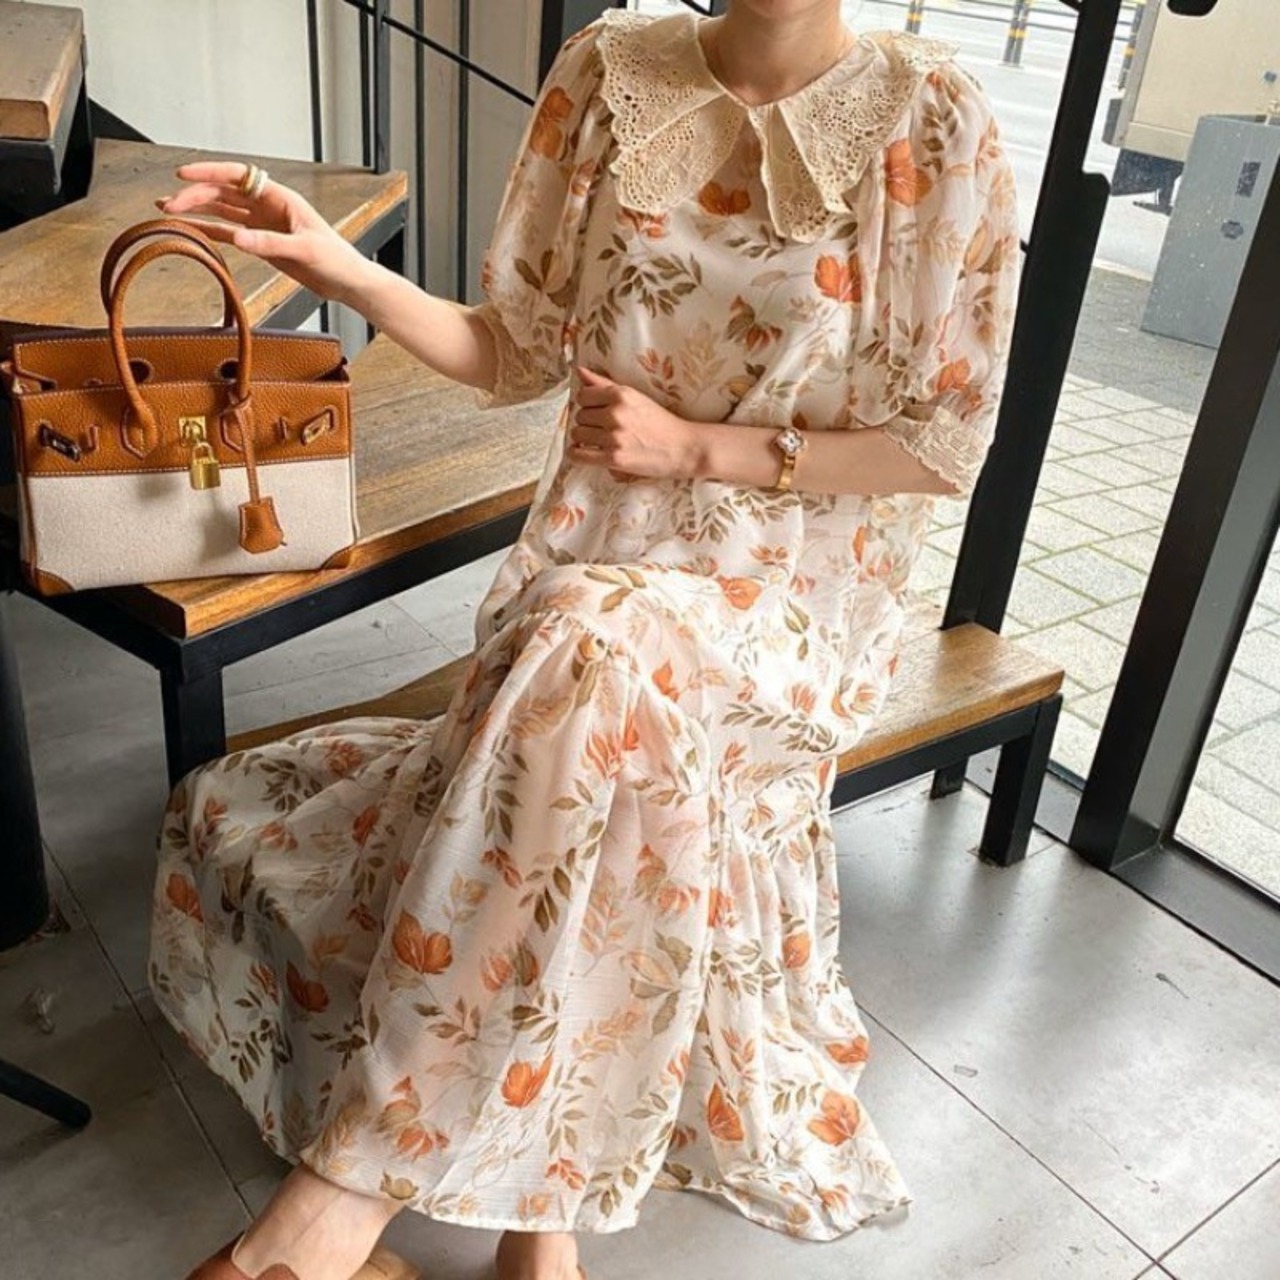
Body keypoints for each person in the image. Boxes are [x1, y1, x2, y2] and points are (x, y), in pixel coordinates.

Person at [150, 3, 1021, 1278]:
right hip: (587, 563)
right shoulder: (611, 72)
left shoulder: (931, 120)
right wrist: (339, 268)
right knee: (594, 681)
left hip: (785, 602)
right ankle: (537, 1228)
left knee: (591, 651)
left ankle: (332, 1206)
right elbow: (513, 350)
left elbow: (942, 443)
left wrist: (699, 448)